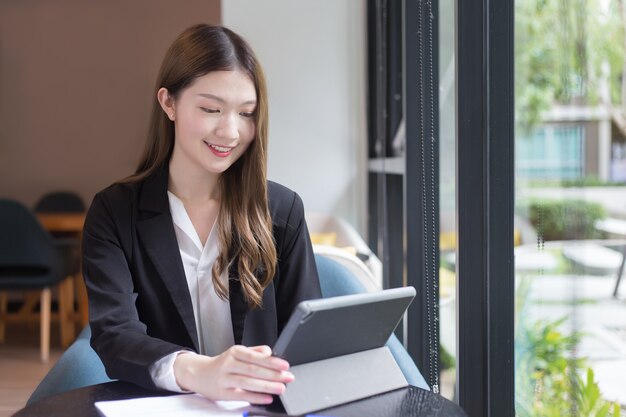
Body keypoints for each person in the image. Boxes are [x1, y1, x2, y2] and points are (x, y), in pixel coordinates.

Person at [82, 23, 321, 405]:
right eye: (211, 109)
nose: (230, 131)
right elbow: (114, 334)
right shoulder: (114, 212)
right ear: (169, 103)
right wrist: (198, 371)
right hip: (163, 406)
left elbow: (311, 335)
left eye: (246, 113)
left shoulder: (283, 210)